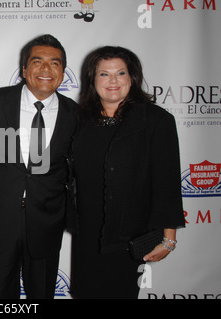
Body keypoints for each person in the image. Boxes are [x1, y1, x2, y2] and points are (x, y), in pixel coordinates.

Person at [70, 46, 185, 299]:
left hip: (127, 232)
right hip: (86, 232)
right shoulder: (81, 120)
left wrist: (169, 239)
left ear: (132, 78)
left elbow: (166, 181)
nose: (112, 81)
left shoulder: (155, 120)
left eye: (120, 73)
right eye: (104, 74)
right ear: (92, 79)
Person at [0, 34, 77, 299]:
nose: (45, 69)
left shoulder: (76, 114)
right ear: (24, 69)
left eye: (54, 63)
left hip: (47, 220)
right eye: (37, 61)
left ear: (62, 72)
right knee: (0, 294)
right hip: (0, 218)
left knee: (41, 294)